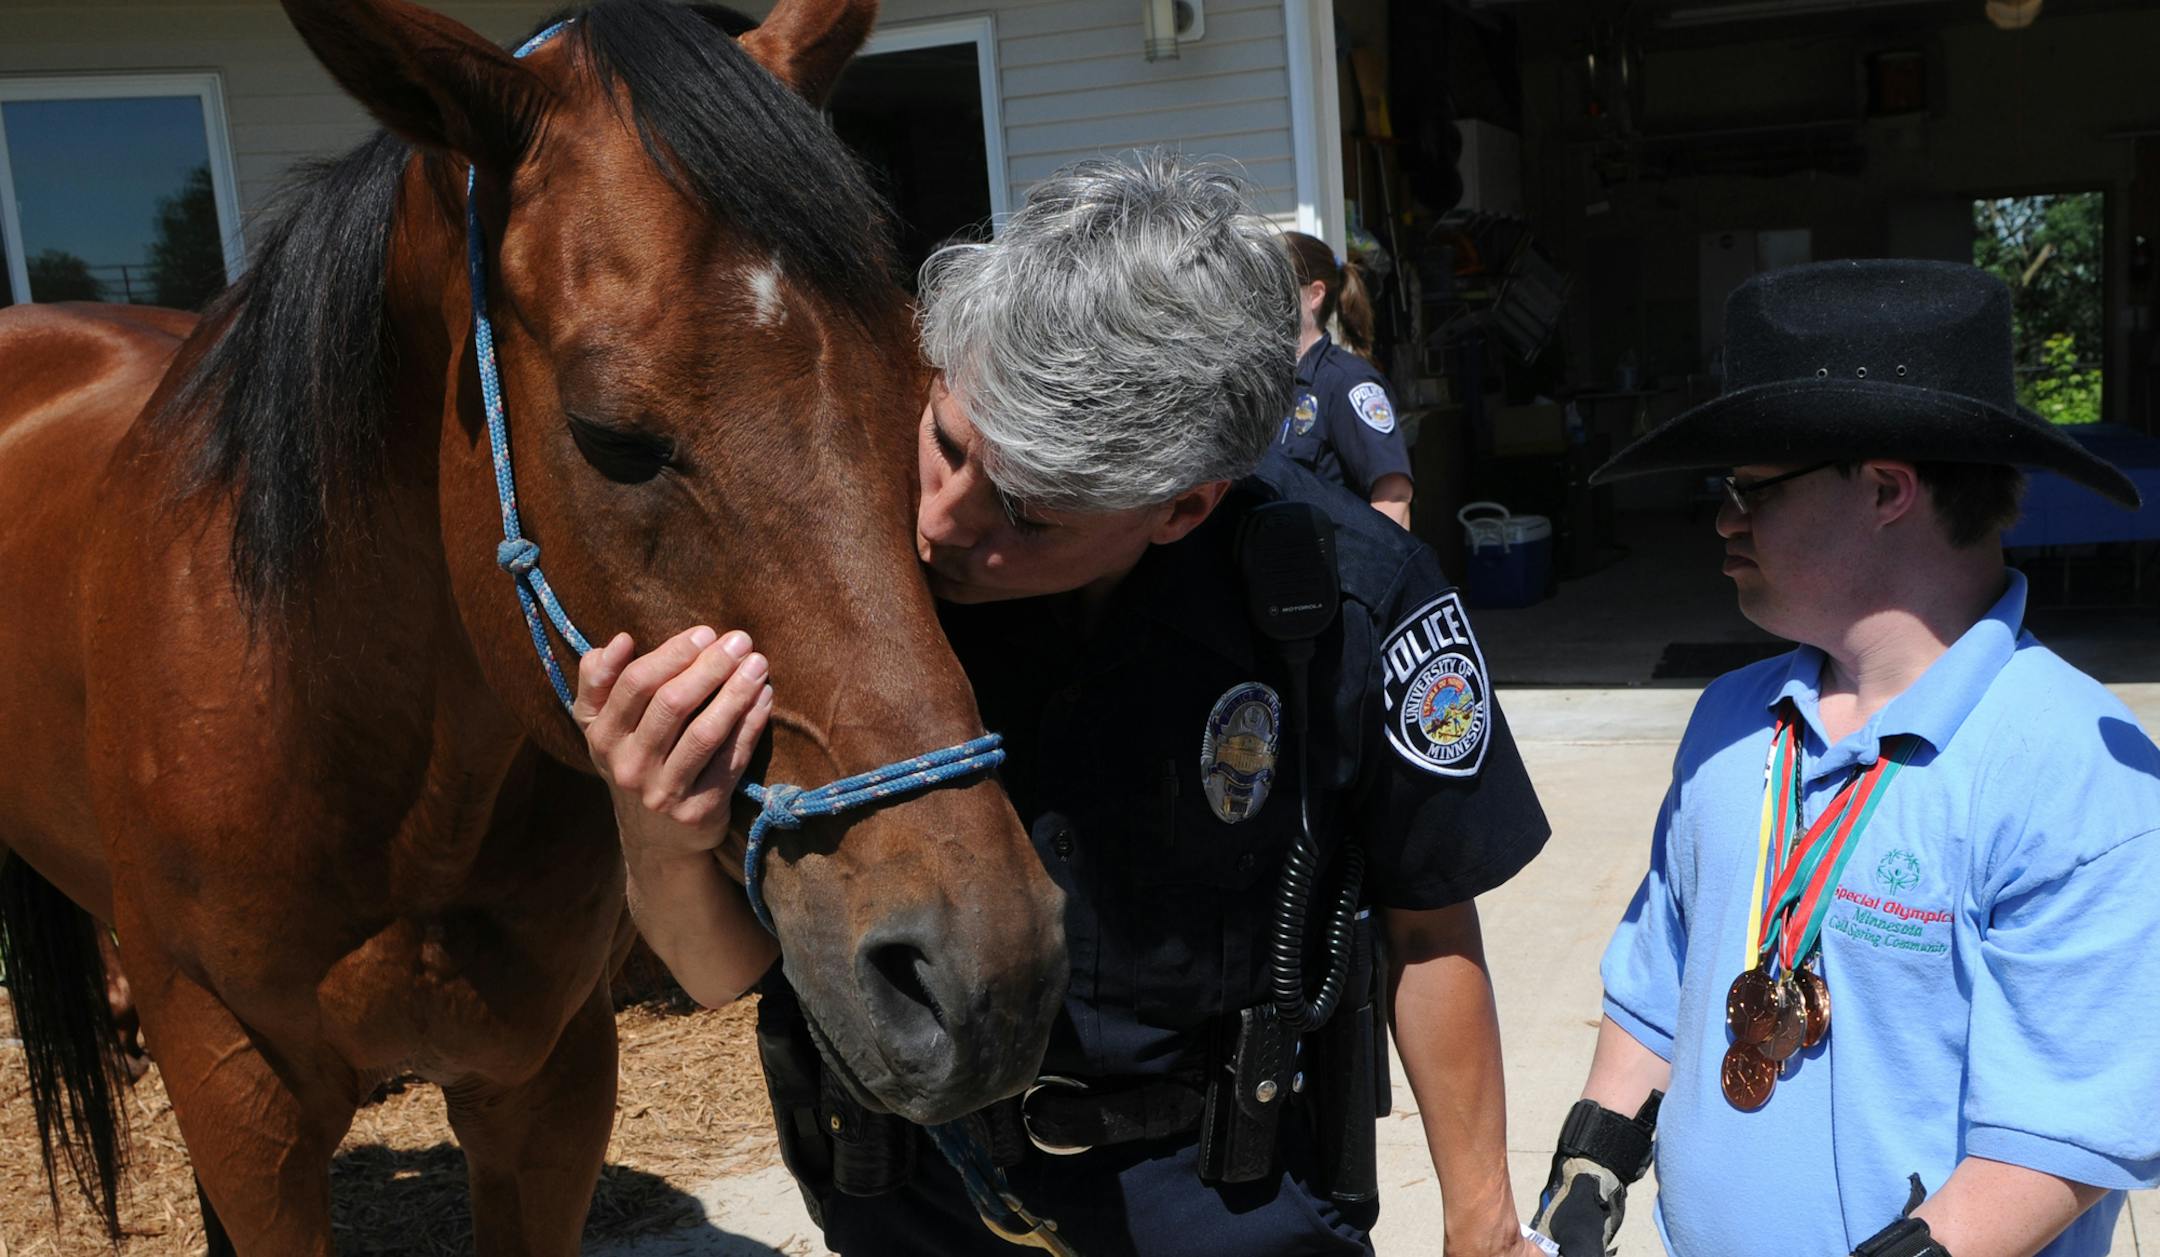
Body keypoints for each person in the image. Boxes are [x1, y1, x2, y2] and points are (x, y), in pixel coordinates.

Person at [577, 155, 1553, 1256]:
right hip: (914, 1210)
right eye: (946, 445)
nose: (943, 525)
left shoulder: (1347, 601)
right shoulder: (841, 577)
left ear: (1182, 509)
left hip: (1228, 1212)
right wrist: (658, 836)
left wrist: (1483, 1221)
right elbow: (722, 973)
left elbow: (1428, 929)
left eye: (1030, 521)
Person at [1526, 258, 2160, 1257]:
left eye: (1750, 491)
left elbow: (2066, 1135)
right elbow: (1659, 987)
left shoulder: (2074, 769)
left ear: (1887, 490)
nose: (1724, 520)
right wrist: (1587, 1179)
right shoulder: (1731, 722)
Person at [1278, 231, 1415, 529]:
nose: (1257, 296)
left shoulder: (1347, 383)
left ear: (1314, 294)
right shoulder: (1263, 382)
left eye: (1272, 284)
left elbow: (1394, 495)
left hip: (1329, 571)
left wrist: (1365, 574)